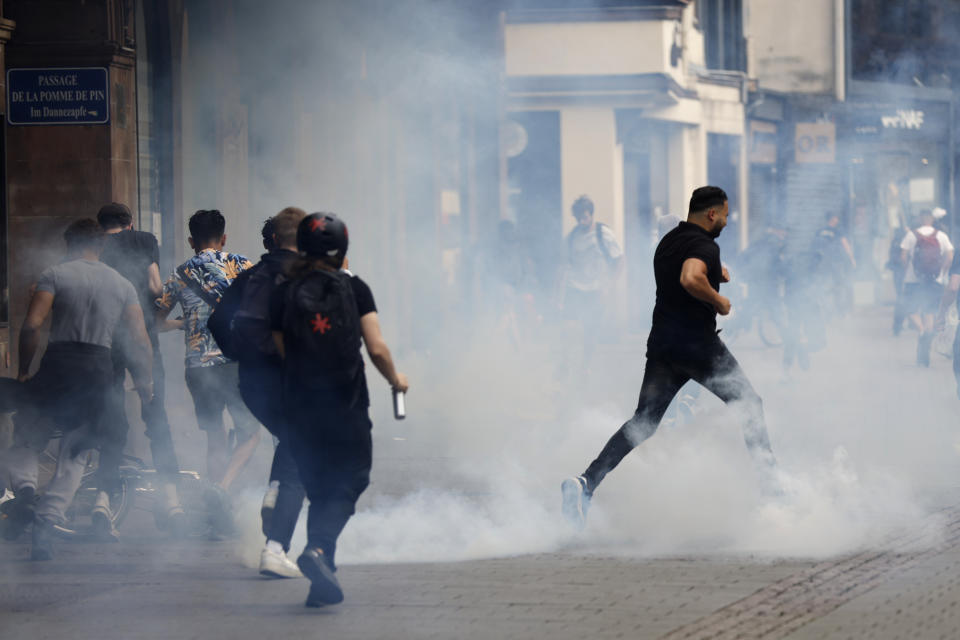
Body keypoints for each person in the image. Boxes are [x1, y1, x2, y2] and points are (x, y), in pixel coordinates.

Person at [561, 187, 778, 527]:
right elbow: (690, 277)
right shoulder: (704, 245)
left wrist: (717, 271)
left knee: (643, 423)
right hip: (697, 346)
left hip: (663, 345)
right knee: (750, 404)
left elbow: (688, 264)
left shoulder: (669, 242)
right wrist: (719, 301)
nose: (725, 221)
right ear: (711, 214)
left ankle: (585, 483)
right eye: (724, 214)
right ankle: (773, 492)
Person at [270, 212, 408, 607]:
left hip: (299, 408)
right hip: (346, 405)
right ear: (342, 248)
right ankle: (318, 551)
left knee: (318, 488)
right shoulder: (356, 288)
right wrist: (396, 380)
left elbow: (283, 350)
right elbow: (376, 347)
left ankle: (320, 582)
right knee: (349, 481)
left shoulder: (284, 290)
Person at [3, 219, 152, 559]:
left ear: (68, 242)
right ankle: (45, 527)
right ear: (101, 246)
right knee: (76, 452)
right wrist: (145, 382)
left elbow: (31, 327)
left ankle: (26, 494)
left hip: (59, 365)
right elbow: (140, 340)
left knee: (27, 437)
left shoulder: (55, 274)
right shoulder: (121, 283)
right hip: (98, 371)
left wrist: (25, 371)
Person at [210, 207, 307, 578]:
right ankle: (275, 549)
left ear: (275, 239)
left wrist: (239, 352)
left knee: (289, 439)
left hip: (252, 382)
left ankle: (274, 493)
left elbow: (217, 320)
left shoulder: (251, 277)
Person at [155, 209, 260, 534]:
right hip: (236, 363)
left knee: (214, 438)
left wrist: (186, 323)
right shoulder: (243, 266)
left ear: (191, 240)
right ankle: (222, 489)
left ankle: (215, 519)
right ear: (224, 237)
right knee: (251, 432)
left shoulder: (179, 274)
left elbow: (156, 322)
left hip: (198, 366)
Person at [95, 203, 185, 537]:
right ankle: (173, 502)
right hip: (142, 337)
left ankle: (103, 501)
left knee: (111, 419)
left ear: (100, 224)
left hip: (105, 340)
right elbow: (155, 287)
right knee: (156, 419)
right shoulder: (143, 239)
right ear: (130, 223)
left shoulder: (94, 245)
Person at [557, 195, 623, 376]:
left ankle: (585, 366)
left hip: (596, 289)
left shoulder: (603, 234)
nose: (582, 221)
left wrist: (609, 285)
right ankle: (565, 363)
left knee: (590, 330)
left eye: (585, 216)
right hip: (575, 287)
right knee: (568, 326)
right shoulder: (571, 237)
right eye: (578, 218)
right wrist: (559, 293)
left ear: (591, 214)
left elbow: (619, 260)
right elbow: (564, 265)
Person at [900, 209, 954, 366]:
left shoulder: (912, 235)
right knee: (930, 311)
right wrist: (942, 272)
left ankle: (922, 331)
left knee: (909, 309)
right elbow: (950, 256)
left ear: (920, 218)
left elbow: (903, 256)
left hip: (913, 280)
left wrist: (907, 271)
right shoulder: (941, 235)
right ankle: (927, 334)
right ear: (931, 219)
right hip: (934, 280)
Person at [812, 211, 856, 317]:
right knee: (839, 287)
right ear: (832, 219)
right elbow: (845, 245)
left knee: (824, 286)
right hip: (834, 263)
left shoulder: (819, 231)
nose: (838, 220)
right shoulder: (838, 231)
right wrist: (852, 259)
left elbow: (814, 247)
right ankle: (839, 310)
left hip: (821, 264)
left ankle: (826, 309)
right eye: (836, 218)